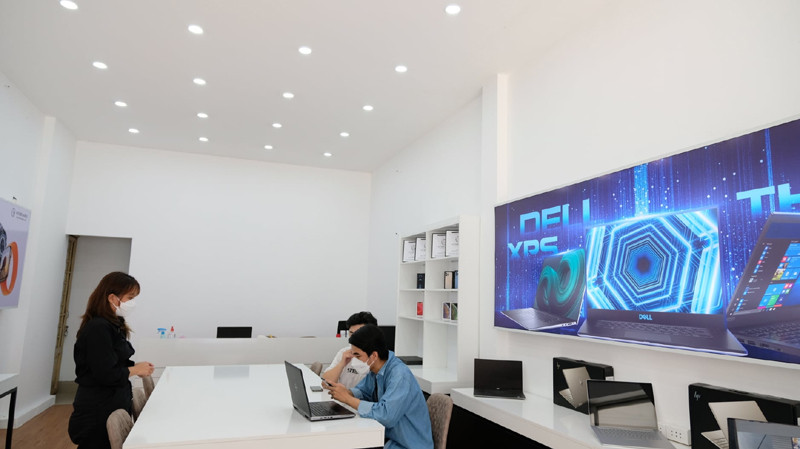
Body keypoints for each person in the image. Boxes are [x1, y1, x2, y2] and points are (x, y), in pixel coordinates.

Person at [68, 272, 155, 449]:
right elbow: (106, 373)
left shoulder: (112, 325)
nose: (132, 303)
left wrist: (137, 367)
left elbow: (113, 361)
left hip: (112, 404)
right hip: (98, 412)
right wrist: (136, 370)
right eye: (130, 297)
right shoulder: (97, 328)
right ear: (112, 298)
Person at [324, 324, 433, 449]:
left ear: (374, 356)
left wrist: (348, 399)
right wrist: (345, 392)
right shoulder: (376, 369)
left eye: (358, 356)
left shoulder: (400, 375)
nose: (355, 360)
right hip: (388, 439)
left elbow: (386, 415)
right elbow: (362, 391)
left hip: (408, 445)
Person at [321, 311, 377, 389]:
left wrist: (347, 393)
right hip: (340, 396)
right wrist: (342, 364)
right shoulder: (344, 352)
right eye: (351, 333)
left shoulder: (379, 359)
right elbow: (325, 383)